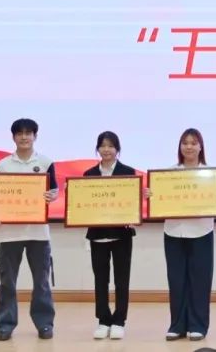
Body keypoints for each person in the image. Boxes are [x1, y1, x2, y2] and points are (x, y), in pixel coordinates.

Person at [150, 128, 216, 342]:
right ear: (180, 147)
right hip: (174, 232)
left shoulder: (211, 174)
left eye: (193, 143)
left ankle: (198, 325)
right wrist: (151, 195)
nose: (189, 146)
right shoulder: (168, 174)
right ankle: (177, 325)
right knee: (176, 280)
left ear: (201, 147)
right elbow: (159, 200)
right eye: (185, 143)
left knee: (200, 281)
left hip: (202, 231)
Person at [0, 118, 58, 342]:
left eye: (28, 133)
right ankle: (5, 325)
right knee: (7, 283)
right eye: (19, 133)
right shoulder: (2, 165)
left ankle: (44, 323)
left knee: (41, 282)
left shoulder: (46, 163)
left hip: (38, 233)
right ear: (13, 137)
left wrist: (52, 196)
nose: (24, 137)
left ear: (35, 136)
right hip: (9, 234)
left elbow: (54, 191)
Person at [82, 131, 137, 340]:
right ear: (98, 149)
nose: (106, 150)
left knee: (122, 280)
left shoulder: (127, 172)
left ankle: (119, 320)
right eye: (103, 146)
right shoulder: (88, 174)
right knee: (100, 280)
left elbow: (132, 202)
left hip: (121, 234)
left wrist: (133, 214)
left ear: (117, 149)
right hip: (98, 234)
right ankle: (103, 320)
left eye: (111, 146)